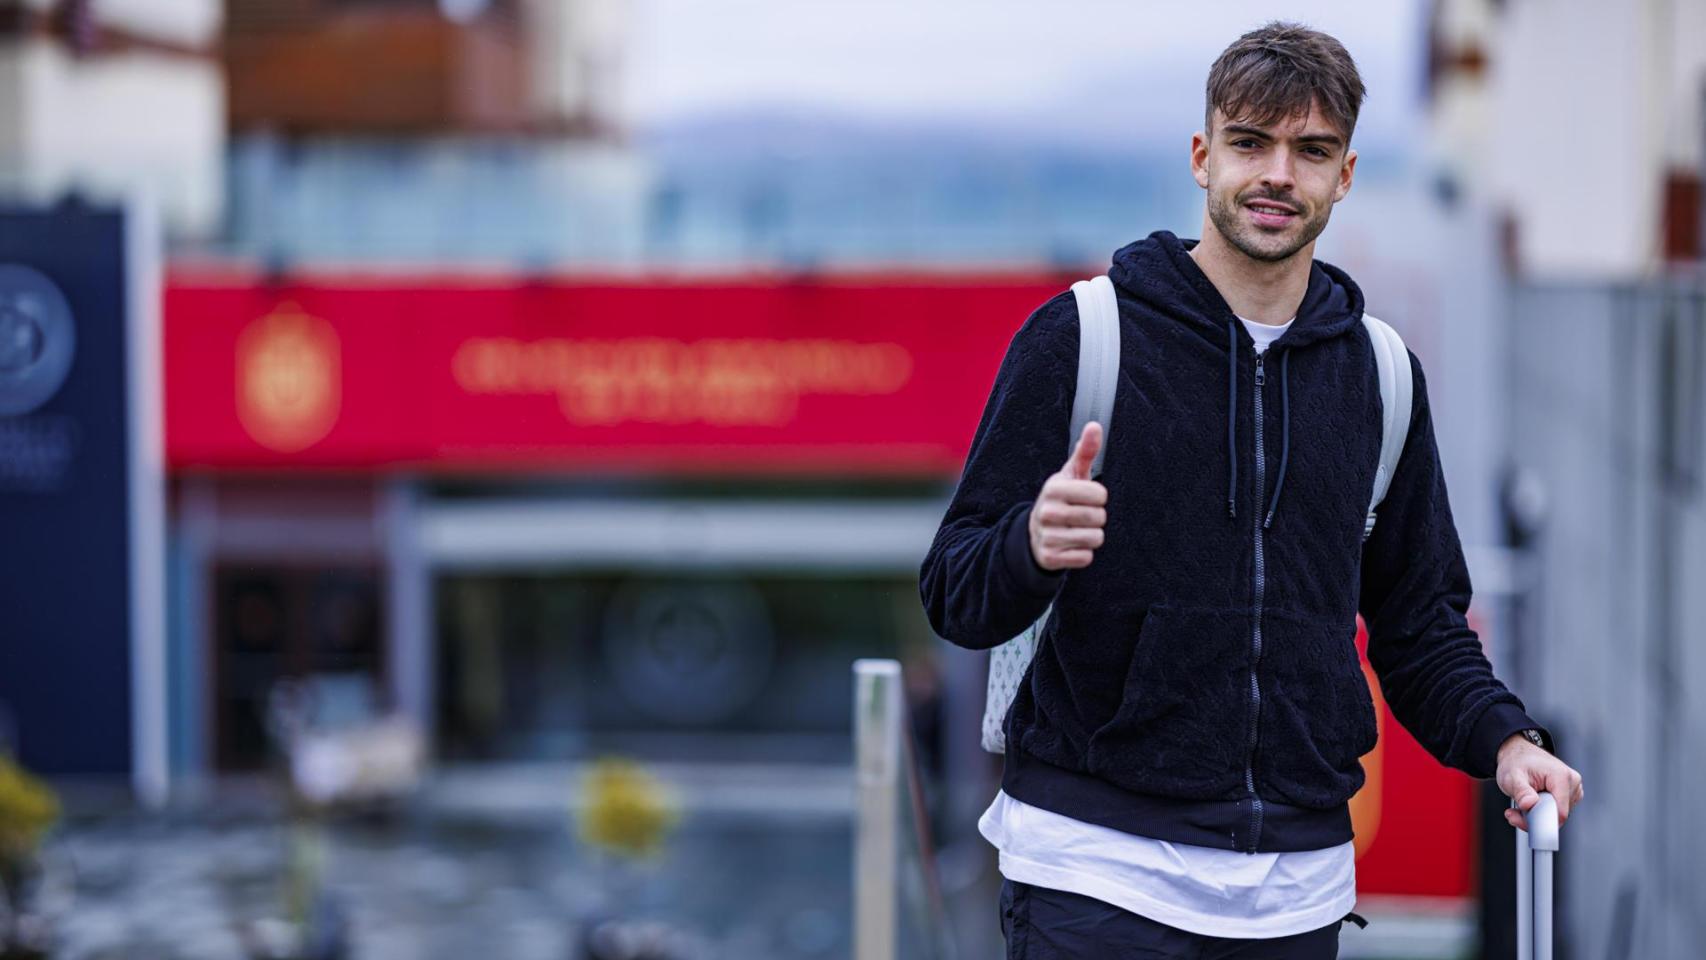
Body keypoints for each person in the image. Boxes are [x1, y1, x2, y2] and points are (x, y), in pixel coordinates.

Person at [918, 21, 1584, 959]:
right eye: (1250, 142)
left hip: (1297, 891)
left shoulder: (1382, 377)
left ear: (1343, 175)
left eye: (1310, 151)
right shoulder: (1082, 337)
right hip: (1093, 870)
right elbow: (953, 587)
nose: (1278, 173)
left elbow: (1420, 625)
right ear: (1203, 157)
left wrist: (1507, 742)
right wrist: (1029, 545)